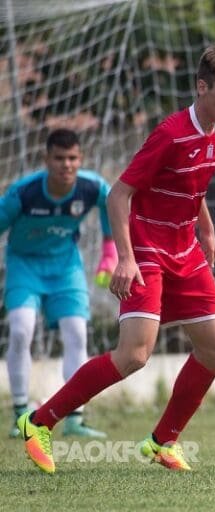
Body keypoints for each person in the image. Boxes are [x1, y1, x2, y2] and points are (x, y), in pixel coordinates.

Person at [17, 42, 215, 474]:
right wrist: (125, 258)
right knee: (134, 355)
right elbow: (119, 195)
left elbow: (193, 184)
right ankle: (39, 421)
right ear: (202, 87)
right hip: (145, 246)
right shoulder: (170, 133)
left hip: (185, 246)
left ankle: (163, 441)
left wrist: (208, 227)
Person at [1, 128, 115, 439]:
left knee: (77, 333)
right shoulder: (23, 193)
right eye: (60, 158)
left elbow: (112, 203)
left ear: (81, 159)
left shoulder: (91, 187)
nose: (67, 165)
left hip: (66, 268)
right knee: (22, 329)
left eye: (73, 158)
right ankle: (21, 413)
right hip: (24, 266)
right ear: (46, 160)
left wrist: (109, 251)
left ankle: (75, 419)